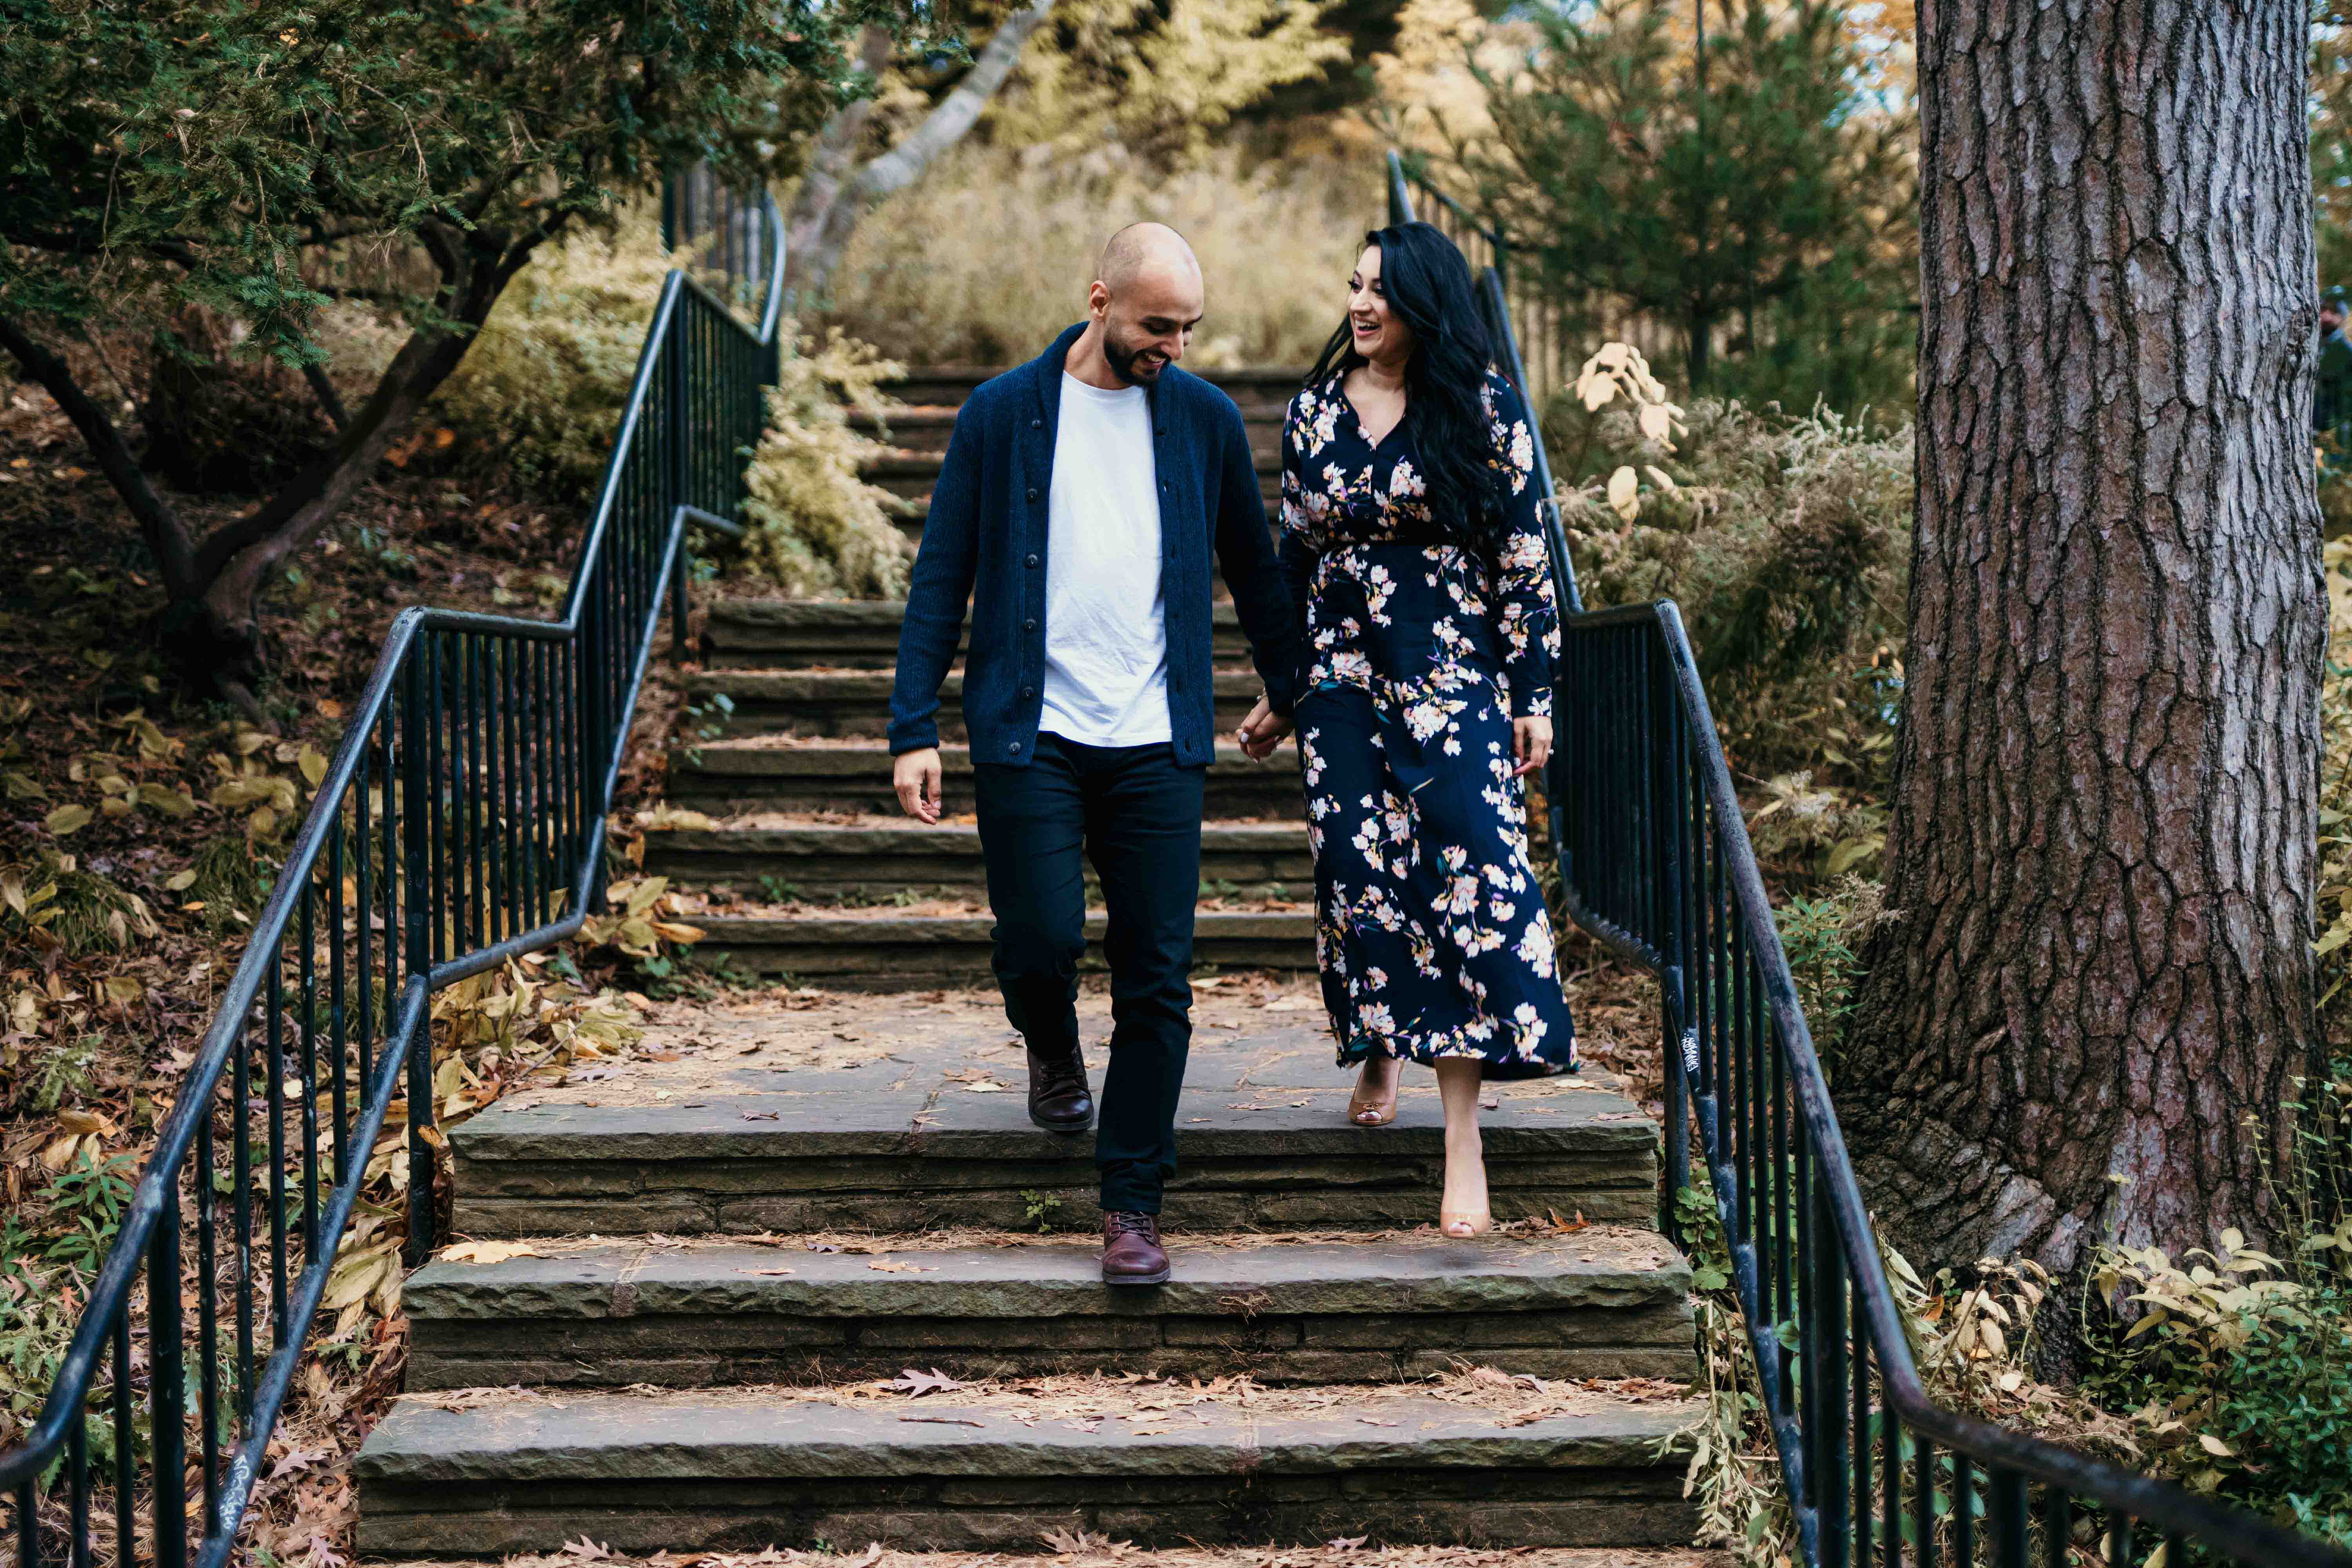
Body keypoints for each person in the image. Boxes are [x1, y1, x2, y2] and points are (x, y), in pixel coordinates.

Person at [888, 223, 1304, 1287]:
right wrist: (911, 727)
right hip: (1035, 732)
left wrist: (1293, 692)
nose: (1174, 344)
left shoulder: (1203, 421)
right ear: (1101, 301)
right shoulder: (1002, 414)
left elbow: (1257, 572)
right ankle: (1050, 1040)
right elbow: (941, 574)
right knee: (1038, 938)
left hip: (1157, 740)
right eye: (1157, 325)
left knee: (1157, 981)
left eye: (1189, 328)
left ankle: (1130, 1202)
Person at [1235, 221, 1579, 1240]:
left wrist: (1535, 695)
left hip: (1450, 679)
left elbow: (1526, 565)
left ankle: (1461, 1137)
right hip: (1341, 682)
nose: (1359, 302)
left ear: (1425, 302)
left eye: (1381, 288)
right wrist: (1285, 685)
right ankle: (1381, 1040)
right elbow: (1292, 561)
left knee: (1474, 873)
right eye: (1352, 284)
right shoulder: (1312, 414)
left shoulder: (1483, 413)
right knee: (1360, 874)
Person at [2318, 289, 2352, 452]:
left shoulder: (2346, 352)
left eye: (2333, 312)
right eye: (2323, 310)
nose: (2326, 316)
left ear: (2342, 316)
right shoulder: (2314, 347)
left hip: (2332, 433)